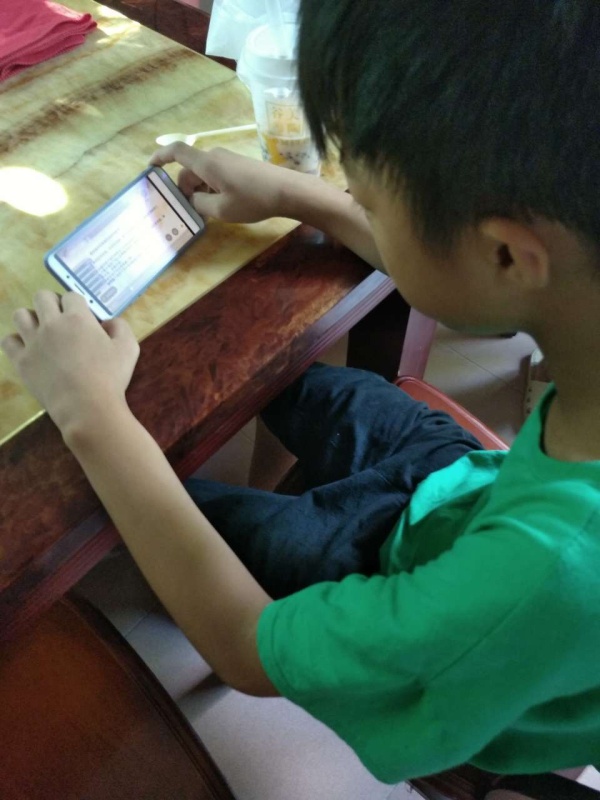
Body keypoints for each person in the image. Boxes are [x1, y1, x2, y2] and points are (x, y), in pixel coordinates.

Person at [3, 0, 600, 784]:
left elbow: (248, 649)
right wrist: (295, 194)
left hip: (412, 590)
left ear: (508, 254)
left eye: (369, 200)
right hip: (461, 491)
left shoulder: (535, 577)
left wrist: (90, 415)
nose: (358, 203)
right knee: (283, 383)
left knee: (117, 496)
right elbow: (480, 283)